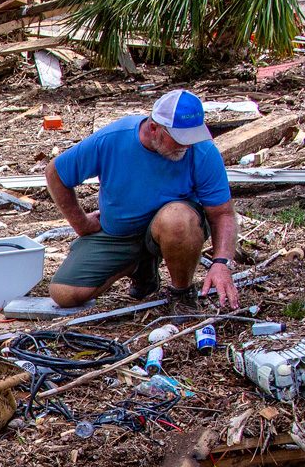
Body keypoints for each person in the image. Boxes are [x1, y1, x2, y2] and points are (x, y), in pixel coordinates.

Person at [45, 88, 239, 311]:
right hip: (121, 234)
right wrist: (81, 223)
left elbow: (222, 213)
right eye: (179, 139)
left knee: (176, 219)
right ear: (155, 128)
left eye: (191, 138)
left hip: (175, 227)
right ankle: (140, 266)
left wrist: (221, 262)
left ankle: (181, 293)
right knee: (64, 294)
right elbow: (56, 173)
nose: (186, 145)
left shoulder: (202, 151)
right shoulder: (113, 139)